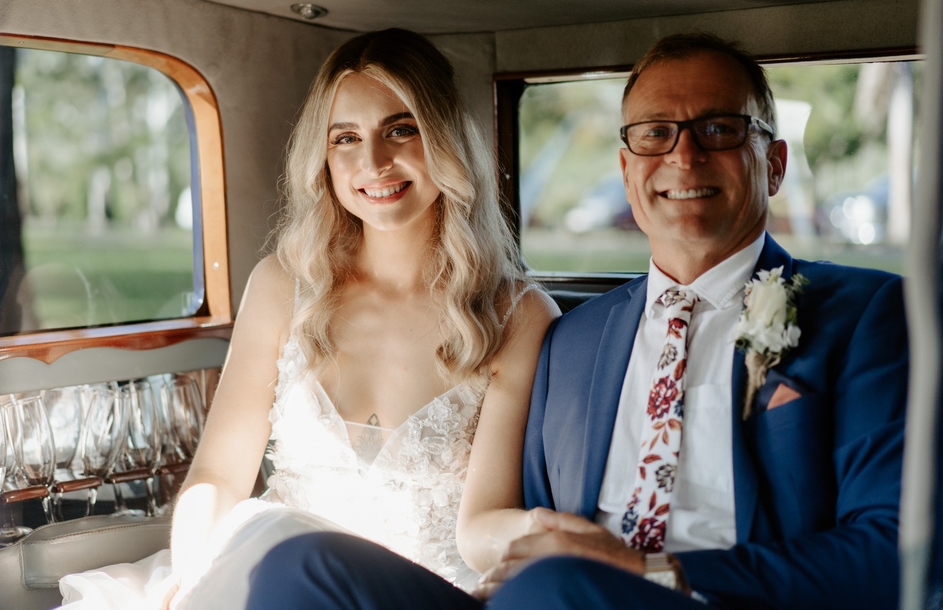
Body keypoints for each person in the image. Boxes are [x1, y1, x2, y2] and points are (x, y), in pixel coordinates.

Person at [249, 32, 908, 610]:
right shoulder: (573, 340)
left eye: (719, 129)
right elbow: (523, 526)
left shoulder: (865, 314)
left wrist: (653, 570)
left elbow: (895, 547)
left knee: (552, 588)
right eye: (655, 134)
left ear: (775, 164)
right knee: (300, 565)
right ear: (626, 170)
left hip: (699, 593)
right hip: (540, 596)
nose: (684, 157)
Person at [56, 27, 558, 610]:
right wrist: (192, 576)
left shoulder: (515, 315)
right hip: (260, 576)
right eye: (346, 138)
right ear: (323, 156)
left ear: (445, 139)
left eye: (401, 129)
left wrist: (545, 534)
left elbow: (483, 523)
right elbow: (219, 475)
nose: (373, 162)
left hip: (412, 594)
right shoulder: (282, 286)